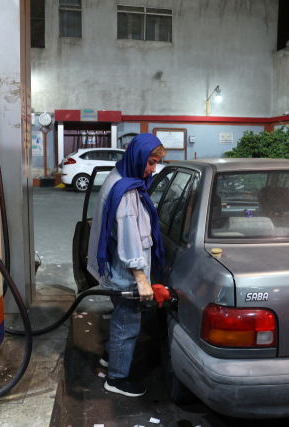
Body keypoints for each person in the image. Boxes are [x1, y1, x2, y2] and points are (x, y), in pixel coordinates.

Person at [86, 133, 167, 397]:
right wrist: (141, 278)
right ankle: (117, 379)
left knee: (122, 316)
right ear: (138, 157)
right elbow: (130, 238)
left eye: (156, 164)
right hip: (126, 272)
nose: (152, 169)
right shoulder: (127, 192)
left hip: (114, 268)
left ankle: (111, 357)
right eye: (151, 162)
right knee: (127, 321)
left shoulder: (119, 176)